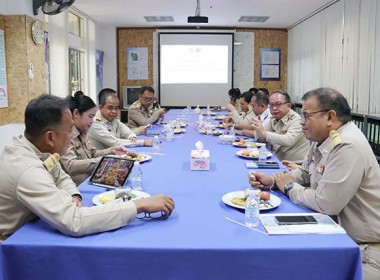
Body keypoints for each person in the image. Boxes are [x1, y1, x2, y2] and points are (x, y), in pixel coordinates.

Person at [0, 94, 175, 242]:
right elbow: (75, 222)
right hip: (15, 243)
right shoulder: (27, 169)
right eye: (69, 131)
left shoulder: (36, 147)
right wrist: (139, 205)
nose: (72, 136)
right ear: (50, 137)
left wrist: (74, 194)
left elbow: (62, 177)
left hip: (36, 226)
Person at [248, 88, 380, 280]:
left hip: (363, 250)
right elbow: (305, 173)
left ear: (330, 117)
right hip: (338, 237)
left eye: (307, 116)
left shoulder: (346, 146)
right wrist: (275, 181)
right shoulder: (321, 138)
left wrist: (290, 187)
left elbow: (326, 203)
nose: (301, 121)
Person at [60, 91, 129, 186]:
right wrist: (104, 160)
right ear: (76, 114)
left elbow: (93, 153)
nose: (92, 121)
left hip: (92, 179)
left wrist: (112, 151)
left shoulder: (83, 131)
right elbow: (70, 165)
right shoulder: (68, 134)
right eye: (90, 116)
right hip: (78, 186)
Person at [252, 90, 309, 162]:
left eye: (278, 104)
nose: (274, 108)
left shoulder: (296, 120)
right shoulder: (273, 118)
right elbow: (260, 138)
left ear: (288, 106)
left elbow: (289, 140)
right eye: (271, 105)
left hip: (294, 165)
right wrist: (258, 128)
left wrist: (264, 133)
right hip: (276, 161)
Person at [88, 88, 153, 149]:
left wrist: (132, 136)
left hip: (115, 154)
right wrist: (142, 142)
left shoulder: (113, 119)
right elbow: (114, 142)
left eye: (116, 108)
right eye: (110, 108)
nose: (114, 111)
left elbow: (127, 132)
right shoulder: (95, 122)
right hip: (102, 159)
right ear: (101, 107)